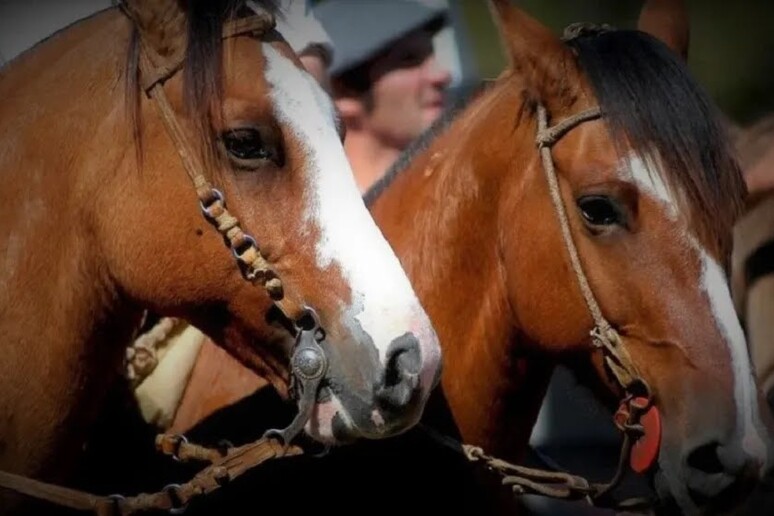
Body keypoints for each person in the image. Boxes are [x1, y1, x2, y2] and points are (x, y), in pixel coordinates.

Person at [314, 0, 453, 192]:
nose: (443, 76)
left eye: (431, 55)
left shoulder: (454, 197)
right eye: (409, 60)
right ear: (343, 93)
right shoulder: (318, 217)